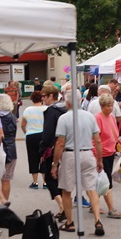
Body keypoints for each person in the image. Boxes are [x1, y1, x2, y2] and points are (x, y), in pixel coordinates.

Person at [52, 89, 105, 236]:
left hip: (70, 154)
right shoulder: (90, 117)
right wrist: (99, 159)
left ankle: (69, 222)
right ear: (81, 100)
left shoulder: (63, 118)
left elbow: (60, 143)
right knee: (91, 188)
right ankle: (97, 219)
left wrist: (54, 164)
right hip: (87, 153)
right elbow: (98, 140)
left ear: (67, 102)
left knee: (67, 190)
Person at [94, 94, 121, 219]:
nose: (110, 108)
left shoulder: (111, 117)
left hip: (110, 152)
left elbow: (115, 135)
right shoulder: (97, 118)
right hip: (102, 153)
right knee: (107, 182)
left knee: (102, 181)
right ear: (102, 106)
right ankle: (111, 209)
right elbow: (95, 139)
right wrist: (97, 156)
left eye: (112, 105)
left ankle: (94, 203)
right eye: (108, 106)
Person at [38, 85, 66, 219]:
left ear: (50, 96)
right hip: (67, 147)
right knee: (61, 178)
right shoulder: (65, 109)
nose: (42, 99)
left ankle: (62, 206)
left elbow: (48, 132)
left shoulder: (51, 111)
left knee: (49, 177)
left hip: (53, 148)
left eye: (44, 96)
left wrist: (42, 150)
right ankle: (64, 205)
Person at [0, 93, 18, 204]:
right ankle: (4, 203)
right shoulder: (12, 117)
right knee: (6, 179)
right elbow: (14, 134)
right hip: (11, 150)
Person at [21, 91, 46, 189]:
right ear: (42, 98)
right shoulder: (46, 109)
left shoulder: (27, 110)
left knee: (32, 158)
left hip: (31, 135)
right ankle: (45, 182)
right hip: (43, 135)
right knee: (44, 157)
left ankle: (35, 182)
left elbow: (23, 125)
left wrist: (26, 132)